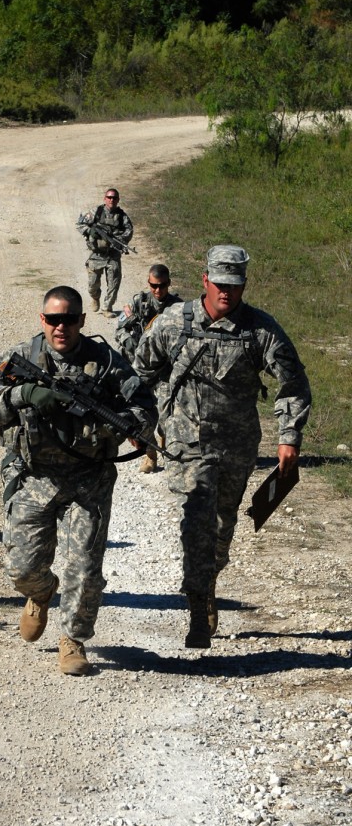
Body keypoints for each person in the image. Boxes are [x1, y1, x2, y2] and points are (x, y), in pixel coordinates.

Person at [133, 245, 311, 649]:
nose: (226, 293)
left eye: (235, 285)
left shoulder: (259, 331)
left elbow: (294, 383)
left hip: (236, 448)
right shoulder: (173, 322)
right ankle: (197, 607)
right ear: (204, 281)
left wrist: (289, 437)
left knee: (221, 526)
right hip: (185, 444)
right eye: (219, 284)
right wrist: (150, 418)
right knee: (197, 519)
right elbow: (139, 373)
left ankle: (207, 584)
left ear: (244, 284)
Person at [0, 286, 156, 675]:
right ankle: (40, 594)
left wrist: (135, 426)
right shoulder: (20, 357)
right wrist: (23, 394)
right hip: (33, 476)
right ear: (42, 320)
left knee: (86, 566)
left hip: (88, 478)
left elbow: (142, 404)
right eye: (53, 319)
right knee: (21, 568)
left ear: (81, 321)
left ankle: (73, 640)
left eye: (69, 319)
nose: (61, 327)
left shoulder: (106, 363)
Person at [115, 264, 183, 474]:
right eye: (153, 286)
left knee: (165, 417)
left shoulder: (179, 308)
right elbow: (120, 329)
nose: (157, 290)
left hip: (165, 372)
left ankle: (166, 445)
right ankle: (150, 456)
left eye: (162, 286)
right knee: (140, 417)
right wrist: (128, 341)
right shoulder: (139, 303)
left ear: (169, 283)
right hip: (139, 369)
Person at [77, 188, 133, 318]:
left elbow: (128, 231)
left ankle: (107, 308)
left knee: (114, 283)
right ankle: (95, 297)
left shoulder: (122, 217)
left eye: (114, 198)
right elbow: (80, 225)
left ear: (118, 200)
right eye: (109, 197)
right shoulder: (97, 212)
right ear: (105, 198)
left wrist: (118, 240)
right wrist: (90, 232)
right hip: (97, 255)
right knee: (92, 284)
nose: (111, 200)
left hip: (113, 255)